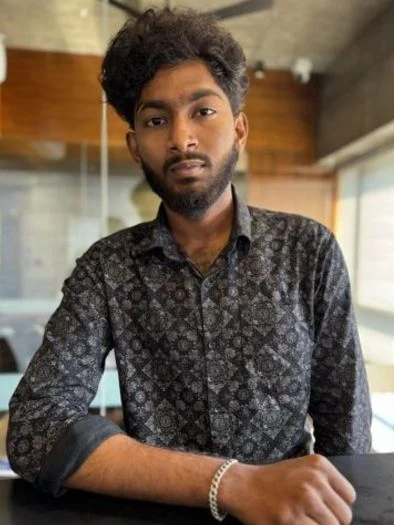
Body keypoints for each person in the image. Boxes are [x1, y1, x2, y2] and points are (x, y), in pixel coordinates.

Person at [7, 7, 371, 525]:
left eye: (203, 111)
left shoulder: (307, 251)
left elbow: (348, 441)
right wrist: (234, 484)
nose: (182, 139)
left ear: (240, 129)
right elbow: (32, 428)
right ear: (135, 146)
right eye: (157, 120)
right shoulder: (107, 269)